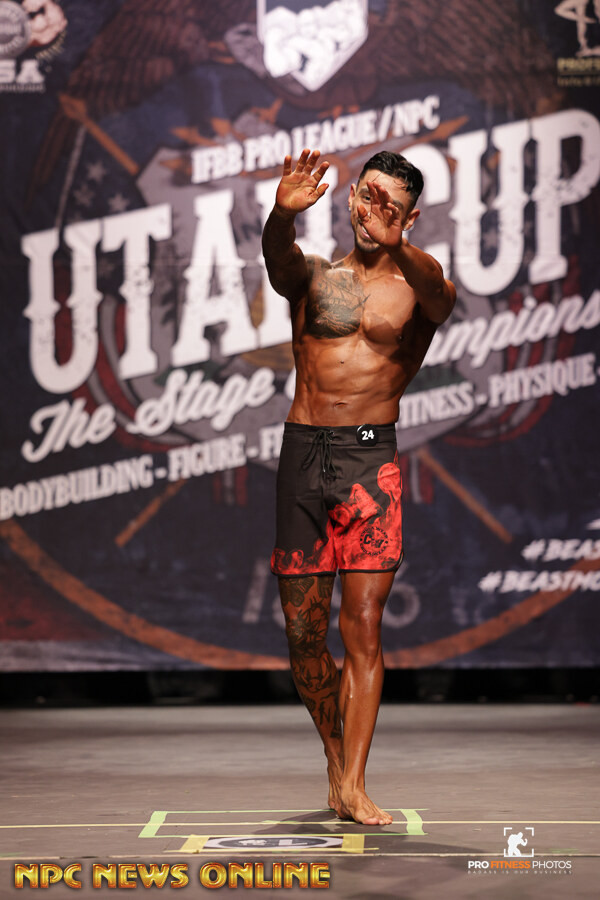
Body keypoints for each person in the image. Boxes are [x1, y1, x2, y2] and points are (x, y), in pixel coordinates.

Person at [261, 148, 456, 826]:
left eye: (391, 205)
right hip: (303, 453)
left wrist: (398, 245)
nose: (375, 210)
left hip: (369, 461)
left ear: (410, 217)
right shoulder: (317, 277)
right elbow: (279, 263)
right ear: (350, 197)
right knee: (303, 636)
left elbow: (440, 296)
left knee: (364, 624)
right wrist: (280, 217)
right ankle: (335, 756)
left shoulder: (419, 283)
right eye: (369, 195)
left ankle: (354, 781)